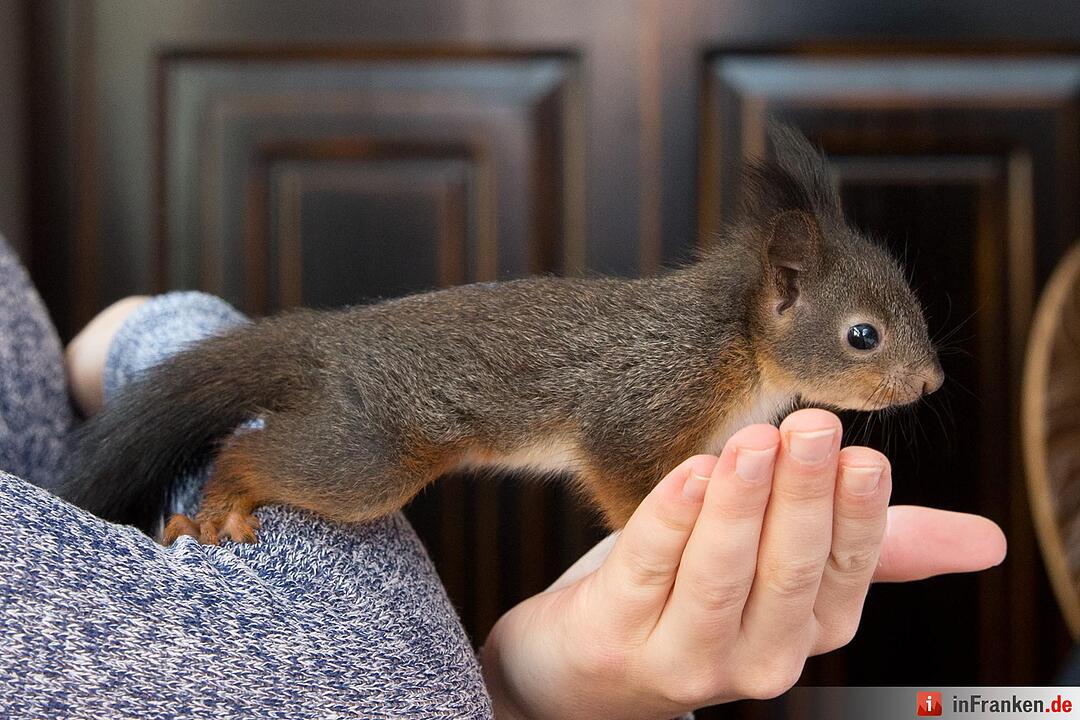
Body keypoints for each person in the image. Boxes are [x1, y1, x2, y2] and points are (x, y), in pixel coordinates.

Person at [0, 233, 1006, 718]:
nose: (915, 379)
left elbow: (46, 357)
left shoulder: (740, 376)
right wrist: (647, 536)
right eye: (871, 344)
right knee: (366, 479)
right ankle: (240, 475)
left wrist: (149, 330)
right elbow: (621, 452)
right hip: (413, 411)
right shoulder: (706, 367)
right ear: (780, 299)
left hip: (174, 364)